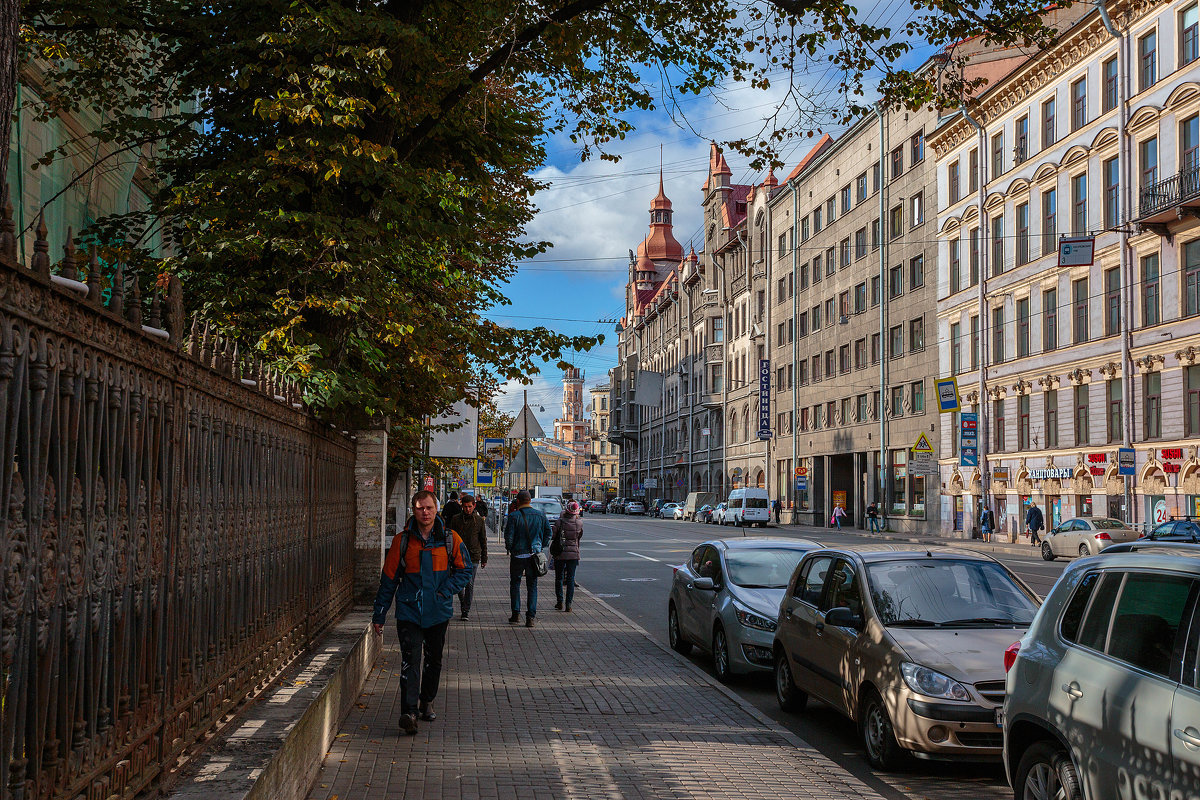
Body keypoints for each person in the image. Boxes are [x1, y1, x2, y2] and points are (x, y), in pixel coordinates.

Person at [371, 490, 472, 735]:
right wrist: (380, 614)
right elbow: (388, 581)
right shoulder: (402, 541)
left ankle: (427, 700)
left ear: (436, 509)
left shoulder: (451, 539)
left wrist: (444, 591)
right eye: (419, 508)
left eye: (428, 508)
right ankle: (409, 712)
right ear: (413, 511)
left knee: (434, 660)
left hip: (438, 611)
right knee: (410, 661)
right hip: (409, 611)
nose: (424, 512)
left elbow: (465, 570)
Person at [504, 490, 551, 627]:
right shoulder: (540, 515)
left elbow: (509, 536)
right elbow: (548, 533)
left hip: (518, 555)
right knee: (532, 586)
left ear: (518, 501)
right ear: (530, 500)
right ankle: (530, 617)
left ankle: (515, 614)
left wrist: (510, 549)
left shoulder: (514, 516)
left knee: (515, 584)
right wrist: (540, 547)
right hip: (534, 556)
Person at [448, 494, 487, 620]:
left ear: (474, 506)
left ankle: (466, 610)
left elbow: (483, 540)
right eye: (465, 507)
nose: (467, 509)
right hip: (457, 556)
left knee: (469, 583)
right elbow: (450, 538)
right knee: (459, 583)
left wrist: (484, 558)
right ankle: (463, 603)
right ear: (461, 506)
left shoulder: (479, 521)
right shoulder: (455, 519)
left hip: (473, 556)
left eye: (470, 507)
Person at [553, 501, 584, 612]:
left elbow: (553, 536)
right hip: (573, 554)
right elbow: (579, 537)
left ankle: (559, 601)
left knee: (559, 578)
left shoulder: (559, 522)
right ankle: (569, 604)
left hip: (560, 553)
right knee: (570, 579)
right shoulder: (579, 523)